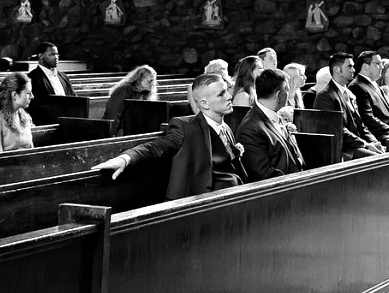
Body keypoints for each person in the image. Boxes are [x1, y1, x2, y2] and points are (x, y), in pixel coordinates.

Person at [93, 73, 248, 198]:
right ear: (205, 104)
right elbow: (154, 147)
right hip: (198, 202)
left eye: (227, 90)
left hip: (228, 196)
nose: (229, 96)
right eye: (221, 94)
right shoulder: (186, 127)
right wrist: (125, 159)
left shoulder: (226, 127)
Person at [233, 68, 304, 180]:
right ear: (279, 95)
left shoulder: (275, 116)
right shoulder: (250, 129)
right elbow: (262, 174)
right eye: (287, 90)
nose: (289, 94)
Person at [313, 54, 385, 159]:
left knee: (387, 153)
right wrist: (365, 144)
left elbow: (360, 125)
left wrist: (374, 142)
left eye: (353, 66)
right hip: (342, 150)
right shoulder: (326, 96)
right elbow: (338, 130)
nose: (353, 70)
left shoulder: (348, 93)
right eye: (349, 66)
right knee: (379, 159)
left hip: (356, 145)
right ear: (337, 69)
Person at [0, 72, 37, 153]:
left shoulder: (25, 117)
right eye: (28, 93)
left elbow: (32, 151)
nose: (32, 96)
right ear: (14, 95)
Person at [350, 51, 389, 141]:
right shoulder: (357, 86)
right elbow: (367, 118)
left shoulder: (373, 83)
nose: (382, 67)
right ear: (365, 66)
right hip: (377, 135)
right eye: (377, 64)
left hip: (388, 131)